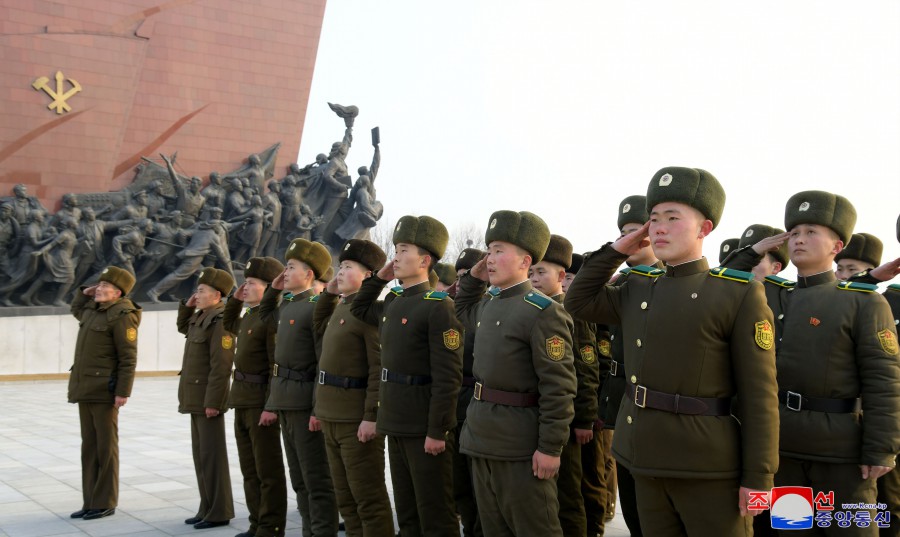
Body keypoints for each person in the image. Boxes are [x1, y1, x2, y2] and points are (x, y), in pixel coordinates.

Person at [565, 167, 779, 536]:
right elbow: (578, 301)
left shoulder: (736, 294)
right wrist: (617, 250)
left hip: (708, 467)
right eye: (653, 219)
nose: (658, 228)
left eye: (672, 218)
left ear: (704, 228)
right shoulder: (638, 288)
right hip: (643, 458)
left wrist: (759, 477)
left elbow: (760, 395)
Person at [772, 191, 900, 537]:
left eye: (812, 232)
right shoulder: (774, 298)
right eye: (794, 233)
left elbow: (883, 381)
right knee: (790, 530)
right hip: (784, 449)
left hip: (842, 455)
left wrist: (881, 449)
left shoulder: (864, 304)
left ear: (837, 246)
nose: (799, 240)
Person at [453, 210, 576, 536]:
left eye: (498, 251)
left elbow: (559, 387)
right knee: (494, 529)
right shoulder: (489, 304)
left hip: (520, 446)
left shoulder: (543, 312)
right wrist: (476, 276)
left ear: (525, 260)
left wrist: (550, 447)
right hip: (481, 438)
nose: (490, 258)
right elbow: (461, 309)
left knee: (535, 529)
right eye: (489, 249)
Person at [350, 215, 464, 537]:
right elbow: (360, 309)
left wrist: (437, 430)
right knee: (408, 513)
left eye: (402, 250)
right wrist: (381, 277)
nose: (395, 257)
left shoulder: (438, 306)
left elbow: (448, 377)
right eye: (395, 250)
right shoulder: (395, 300)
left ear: (425, 260)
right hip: (396, 421)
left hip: (423, 426)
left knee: (436, 515)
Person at [313, 239, 395, 537]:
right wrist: (330, 293)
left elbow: (378, 369)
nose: (340, 273)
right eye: (340, 266)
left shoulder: (369, 314)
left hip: (355, 420)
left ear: (369, 276)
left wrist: (371, 415)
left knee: (368, 498)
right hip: (332, 415)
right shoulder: (340, 307)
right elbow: (318, 326)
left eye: (348, 267)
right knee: (345, 499)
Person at [259, 239, 338, 536]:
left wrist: (318, 408)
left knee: (316, 480)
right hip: (286, 402)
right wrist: (275, 288)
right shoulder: (288, 304)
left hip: (306, 405)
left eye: (291, 267)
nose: (285, 271)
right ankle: (309, 530)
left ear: (309, 274)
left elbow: (322, 362)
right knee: (300, 480)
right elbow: (265, 315)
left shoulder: (317, 307)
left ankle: (322, 531)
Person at [528, 233, 598, 537]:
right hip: (536, 417)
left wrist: (584, 418)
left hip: (566, 421)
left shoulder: (573, 310)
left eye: (541, 272)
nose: (534, 279)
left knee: (569, 496)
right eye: (531, 272)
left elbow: (586, 368)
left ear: (560, 275)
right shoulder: (529, 309)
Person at [68, 266, 141, 521]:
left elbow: (128, 357)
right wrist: (84, 292)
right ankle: (90, 501)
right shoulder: (92, 309)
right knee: (89, 447)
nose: (98, 289)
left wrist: (123, 391)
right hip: (85, 388)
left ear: (117, 292)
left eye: (104, 286)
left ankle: (105, 501)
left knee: (105, 448)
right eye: (98, 285)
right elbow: (76, 309)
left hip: (105, 391)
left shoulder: (123, 315)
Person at [223, 256, 288, 537]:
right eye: (244, 283)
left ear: (268, 287)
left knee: (268, 471)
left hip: (261, 402)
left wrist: (271, 405)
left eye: (251, 284)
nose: (245, 287)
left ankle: (271, 527)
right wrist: (235, 300)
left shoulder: (270, 319)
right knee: (250, 470)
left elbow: (276, 364)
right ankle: (256, 523)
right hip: (241, 399)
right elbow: (228, 325)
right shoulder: (249, 315)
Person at [176, 267, 236, 530]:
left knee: (212, 457)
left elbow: (221, 366)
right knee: (200, 455)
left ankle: (219, 510)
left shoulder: (221, 320)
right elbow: (183, 327)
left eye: (201, 291)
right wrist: (187, 307)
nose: (196, 295)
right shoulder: (200, 317)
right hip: (194, 397)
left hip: (207, 399)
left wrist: (215, 401)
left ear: (217, 294)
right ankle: (206, 506)